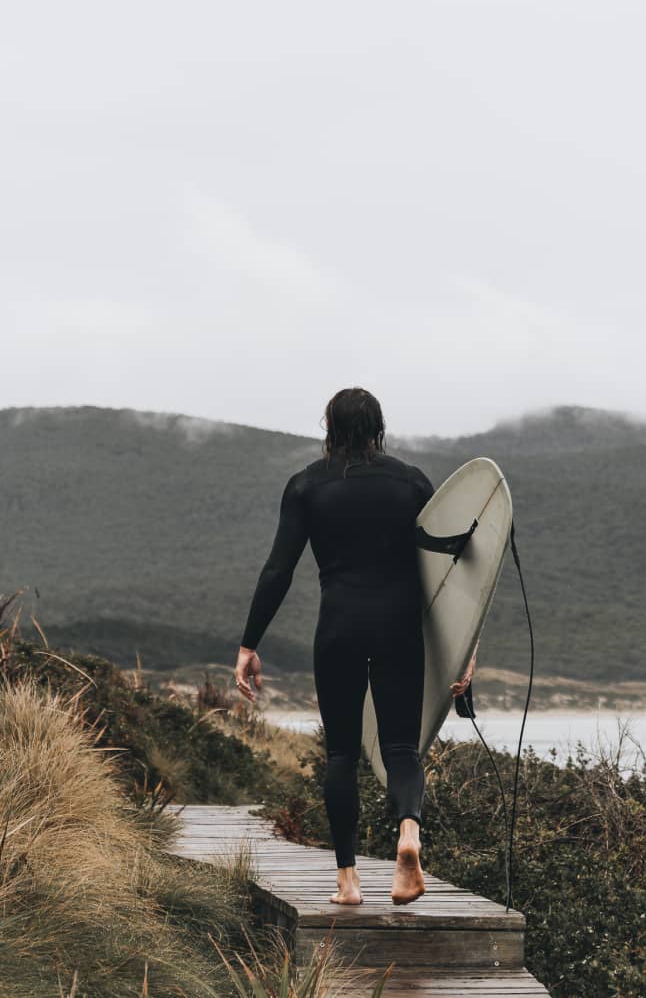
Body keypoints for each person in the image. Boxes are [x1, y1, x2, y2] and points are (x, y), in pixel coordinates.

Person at [233, 387, 473, 906]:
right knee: (402, 748)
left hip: (339, 625)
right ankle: (408, 835)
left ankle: (348, 881)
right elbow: (449, 569)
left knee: (342, 753)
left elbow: (278, 570)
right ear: (379, 426)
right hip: (399, 626)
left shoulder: (305, 486)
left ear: (329, 426)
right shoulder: (410, 482)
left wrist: (250, 642)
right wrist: (465, 647)